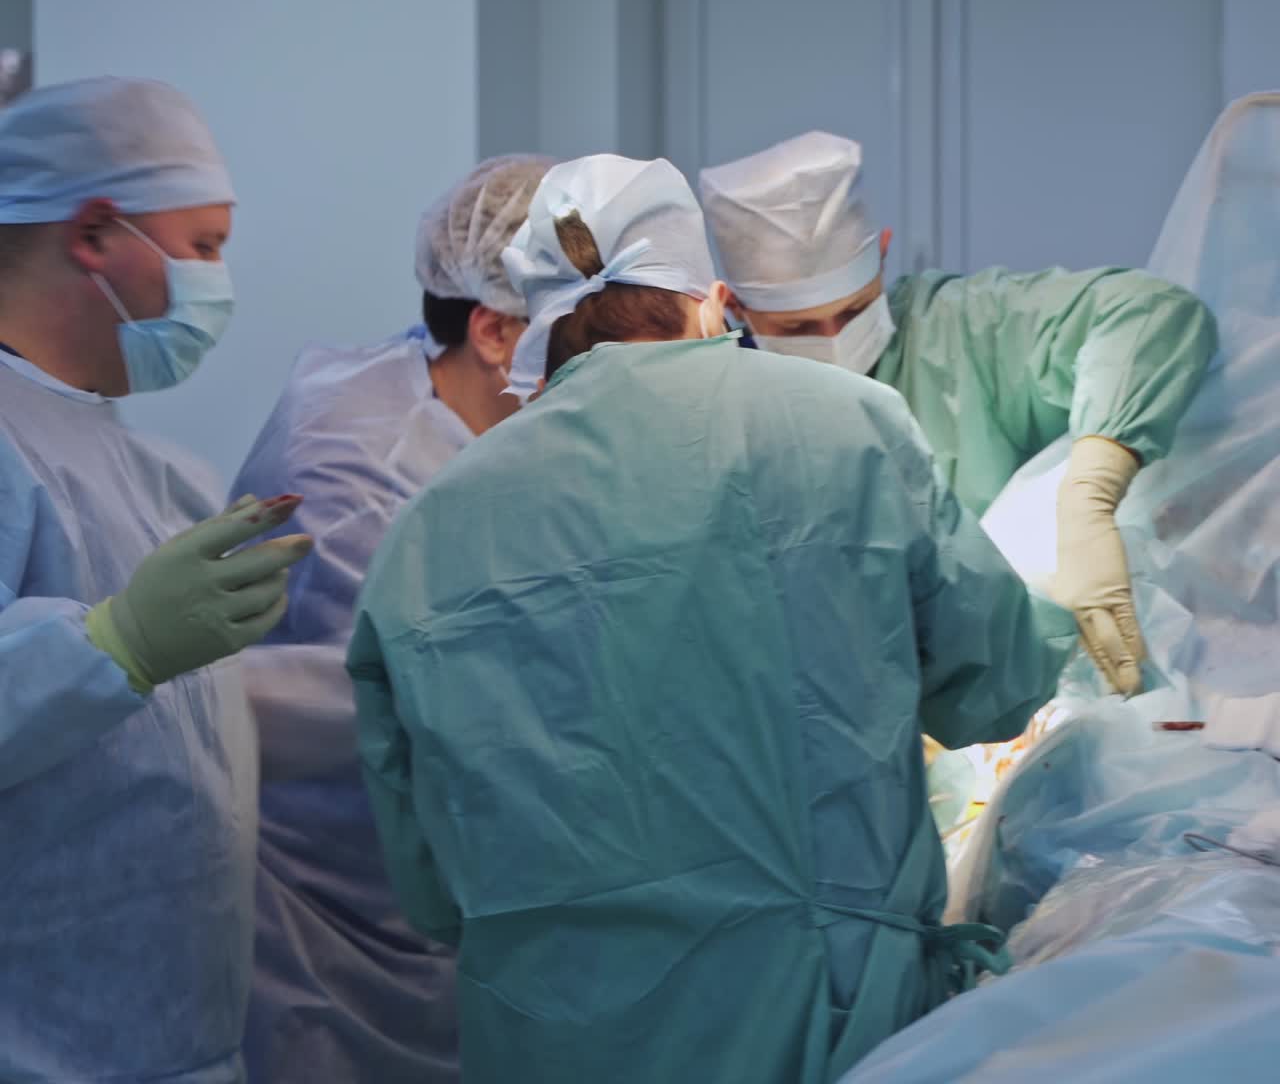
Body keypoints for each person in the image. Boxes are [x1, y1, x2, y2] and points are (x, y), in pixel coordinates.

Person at [347, 154, 1078, 1083]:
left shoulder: (430, 525)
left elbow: (430, 889)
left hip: (550, 1033)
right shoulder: (846, 424)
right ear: (714, 301)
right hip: (819, 1016)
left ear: (537, 327)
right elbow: (996, 691)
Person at [0, 76, 312, 1083]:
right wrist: (117, 643)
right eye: (204, 245)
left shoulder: (142, 463)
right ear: (95, 232)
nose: (217, 279)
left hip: (165, 1032)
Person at [231, 154, 555, 1083]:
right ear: (495, 330)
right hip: (331, 923)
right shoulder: (362, 473)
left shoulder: (471, 411)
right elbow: (405, 721)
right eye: (591, 329)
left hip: (436, 909)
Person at [699, 131, 1219, 696]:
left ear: (883, 253)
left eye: (854, 310)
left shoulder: (961, 333)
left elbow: (1152, 314)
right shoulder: (714, 412)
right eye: (798, 328)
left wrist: (1089, 492)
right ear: (732, 307)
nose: (835, 339)